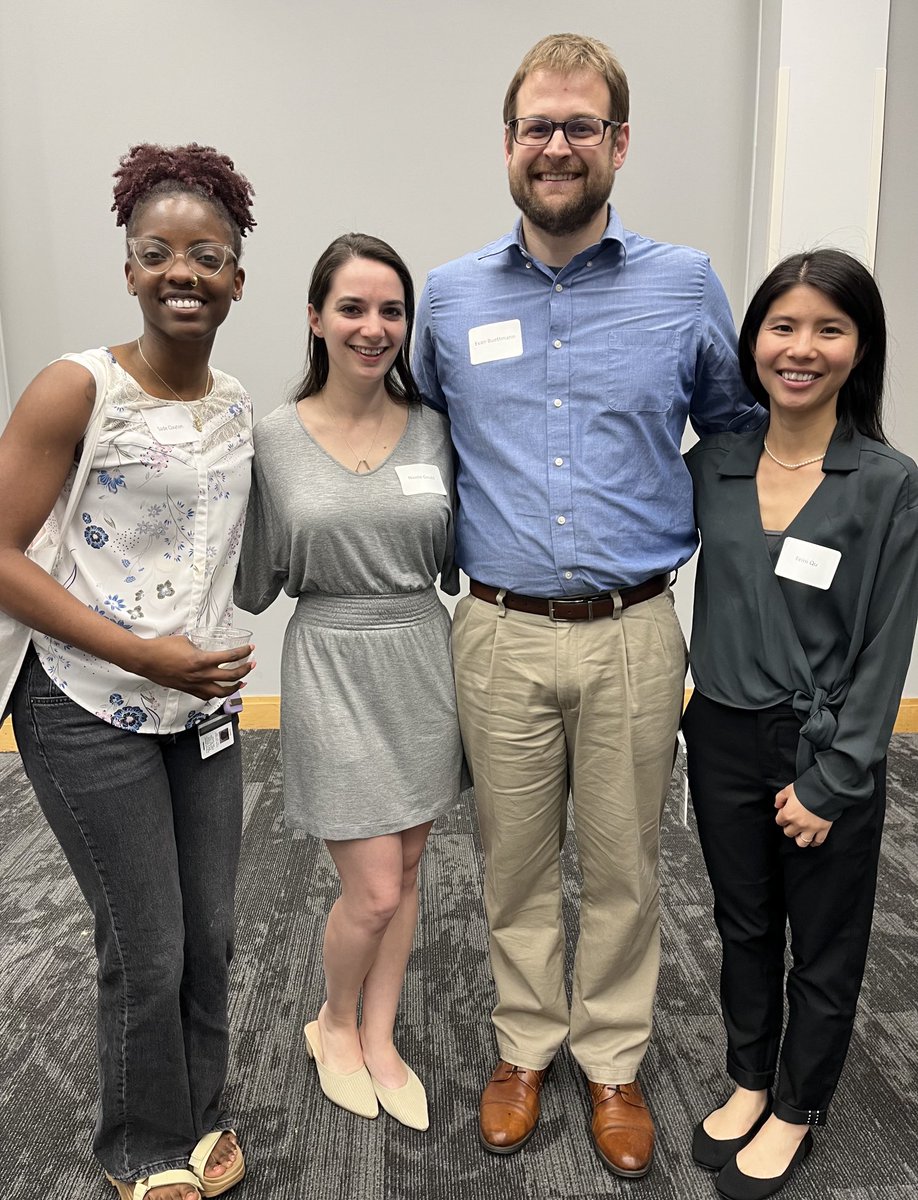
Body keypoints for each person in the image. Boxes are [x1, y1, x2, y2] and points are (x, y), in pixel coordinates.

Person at [412, 31, 763, 1177]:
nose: (555, 147)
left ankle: (611, 1061)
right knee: (510, 861)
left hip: (633, 631)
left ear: (618, 142)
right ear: (507, 145)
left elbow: (738, 428)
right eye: (535, 128)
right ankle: (525, 1046)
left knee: (623, 864)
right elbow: (410, 438)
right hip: (498, 631)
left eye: (578, 126)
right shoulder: (452, 296)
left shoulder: (686, 282)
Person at [0, 143, 257, 1200]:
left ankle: (199, 1118)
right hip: (83, 700)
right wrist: (141, 654)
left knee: (212, 934)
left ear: (240, 274)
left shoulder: (237, 405)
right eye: (159, 254)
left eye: (208, 255)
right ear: (130, 267)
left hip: (199, 712)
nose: (182, 273)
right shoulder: (77, 389)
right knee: (144, 948)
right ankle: (139, 1147)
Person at [682, 249, 918, 1200]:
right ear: (754, 343)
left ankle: (796, 1106)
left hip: (826, 744)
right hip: (722, 735)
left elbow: (888, 642)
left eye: (829, 328)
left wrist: (836, 777)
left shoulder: (885, 481)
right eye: (783, 326)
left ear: (860, 350)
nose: (802, 347)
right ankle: (748, 1077)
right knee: (742, 923)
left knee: (824, 940)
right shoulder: (717, 464)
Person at [234, 232, 463, 1133]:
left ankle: (380, 1034)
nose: (374, 328)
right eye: (353, 308)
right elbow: (250, 577)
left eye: (391, 310)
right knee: (370, 888)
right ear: (316, 319)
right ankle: (330, 1022)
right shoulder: (273, 441)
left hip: (421, 656)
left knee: (408, 871)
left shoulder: (438, 431)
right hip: (330, 660)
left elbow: (455, 558)